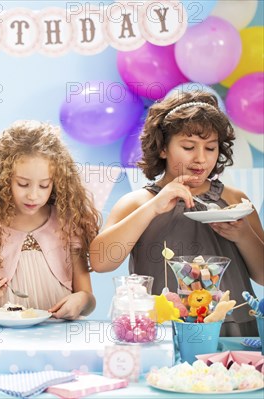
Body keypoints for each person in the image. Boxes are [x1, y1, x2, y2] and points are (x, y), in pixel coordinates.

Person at [89, 91, 264, 336]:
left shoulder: (235, 201)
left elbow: (262, 275)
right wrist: (153, 208)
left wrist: (243, 234)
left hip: (234, 327)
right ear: (162, 149)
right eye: (188, 147)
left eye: (211, 148)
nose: (201, 158)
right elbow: (101, 262)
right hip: (163, 328)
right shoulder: (139, 202)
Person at [0, 120, 99, 318]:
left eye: (44, 185)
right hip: (5, 340)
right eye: (23, 184)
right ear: (3, 179)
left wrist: (80, 300)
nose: (33, 195)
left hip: (59, 337)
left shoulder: (67, 223)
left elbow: (89, 300)